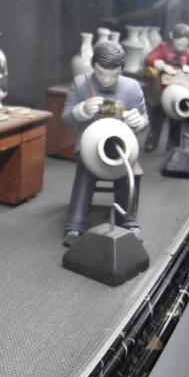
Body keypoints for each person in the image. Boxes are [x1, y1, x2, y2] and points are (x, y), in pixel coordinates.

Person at [61, 41, 148, 247]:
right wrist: (81, 111)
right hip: (90, 148)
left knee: (126, 172)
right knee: (85, 174)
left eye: (114, 75)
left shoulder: (132, 87)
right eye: (101, 73)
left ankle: (128, 222)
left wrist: (138, 121)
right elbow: (66, 117)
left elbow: (145, 119)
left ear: (122, 70)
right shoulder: (81, 83)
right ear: (93, 65)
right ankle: (75, 225)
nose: (107, 80)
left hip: (121, 147)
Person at [143, 23, 189, 152]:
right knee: (158, 118)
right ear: (172, 37)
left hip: (178, 92)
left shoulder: (187, 53)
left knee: (176, 119)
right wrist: (160, 64)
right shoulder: (163, 48)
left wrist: (188, 69)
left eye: (185, 45)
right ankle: (152, 141)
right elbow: (148, 59)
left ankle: (173, 145)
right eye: (179, 44)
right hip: (163, 90)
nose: (182, 47)